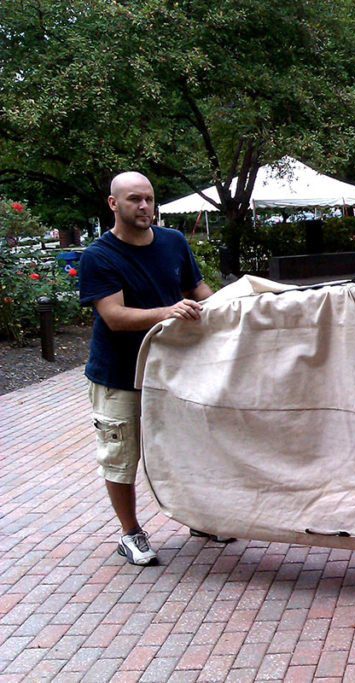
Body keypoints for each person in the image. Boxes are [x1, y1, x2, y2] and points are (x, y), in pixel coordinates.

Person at [79, 171, 231, 566]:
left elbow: (198, 291)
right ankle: (131, 533)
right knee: (121, 455)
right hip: (119, 375)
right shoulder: (100, 255)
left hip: (172, 370)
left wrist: (232, 313)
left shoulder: (173, 242)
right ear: (114, 204)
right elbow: (113, 316)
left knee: (185, 447)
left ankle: (198, 519)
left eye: (148, 198)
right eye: (134, 199)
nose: (144, 206)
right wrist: (170, 312)